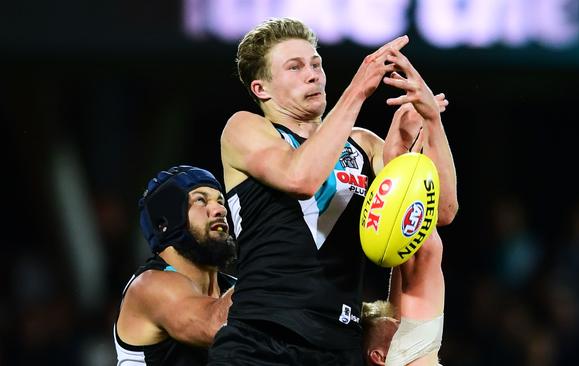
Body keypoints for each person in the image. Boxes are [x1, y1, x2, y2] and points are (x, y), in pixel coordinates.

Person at [208, 17, 458, 365]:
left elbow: (438, 212)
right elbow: (301, 177)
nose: (312, 74)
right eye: (294, 67)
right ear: (261, 89)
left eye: (315, 64)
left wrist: (432, 122)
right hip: (261, 340)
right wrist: (358, 90)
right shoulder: (246, 128)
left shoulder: (363, 143)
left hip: (338, 347)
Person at [114, 165, 237, 365]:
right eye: (200, 200)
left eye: (220, 201)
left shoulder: (236, 286)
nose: (221, 209)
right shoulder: (149, 285)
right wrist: (266, 253)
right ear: (166, 221)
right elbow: (217, 326)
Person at [362, 229, 446, 366]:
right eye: (395, 323)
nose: (399, 321)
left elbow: (406, 260)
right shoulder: (407, 353)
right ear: (379, 357)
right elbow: (426, 252)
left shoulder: (403, 353)